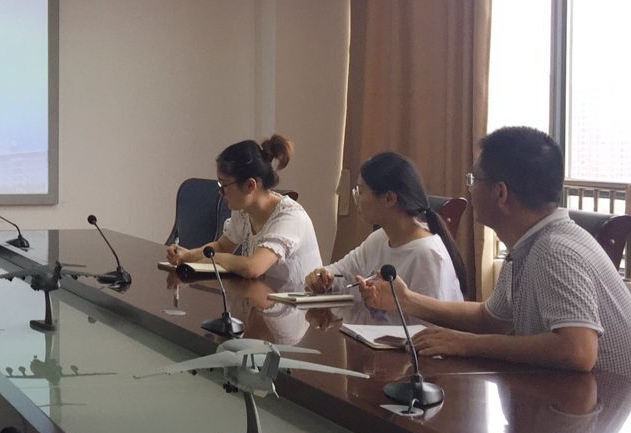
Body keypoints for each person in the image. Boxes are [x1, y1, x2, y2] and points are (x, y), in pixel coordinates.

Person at [360, 127, 631, 383]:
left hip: (617, 411)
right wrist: (407, 300)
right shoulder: (529, 246)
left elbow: (577, 351)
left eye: (474, 179)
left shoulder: (554, 249)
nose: (470, 189)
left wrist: (468, 344)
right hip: (579, 403)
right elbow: (489, 318)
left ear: (500, 193)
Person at [305, 152, 467, 314]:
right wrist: (323, 278)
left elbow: (432, 325)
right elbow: (342, 273)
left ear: (389, 198)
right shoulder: (380, 238)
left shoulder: (427, 254)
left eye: (361, 192)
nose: (357, 199)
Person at [166, 135, 321, 292]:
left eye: (224, 185)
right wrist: (187, 255)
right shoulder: (243, 211)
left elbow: (252, 267)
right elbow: (222, 246)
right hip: (263, 296)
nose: (220, 193)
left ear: (250, 185)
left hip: (295, 304)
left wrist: (213, 258)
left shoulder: (290, 217)